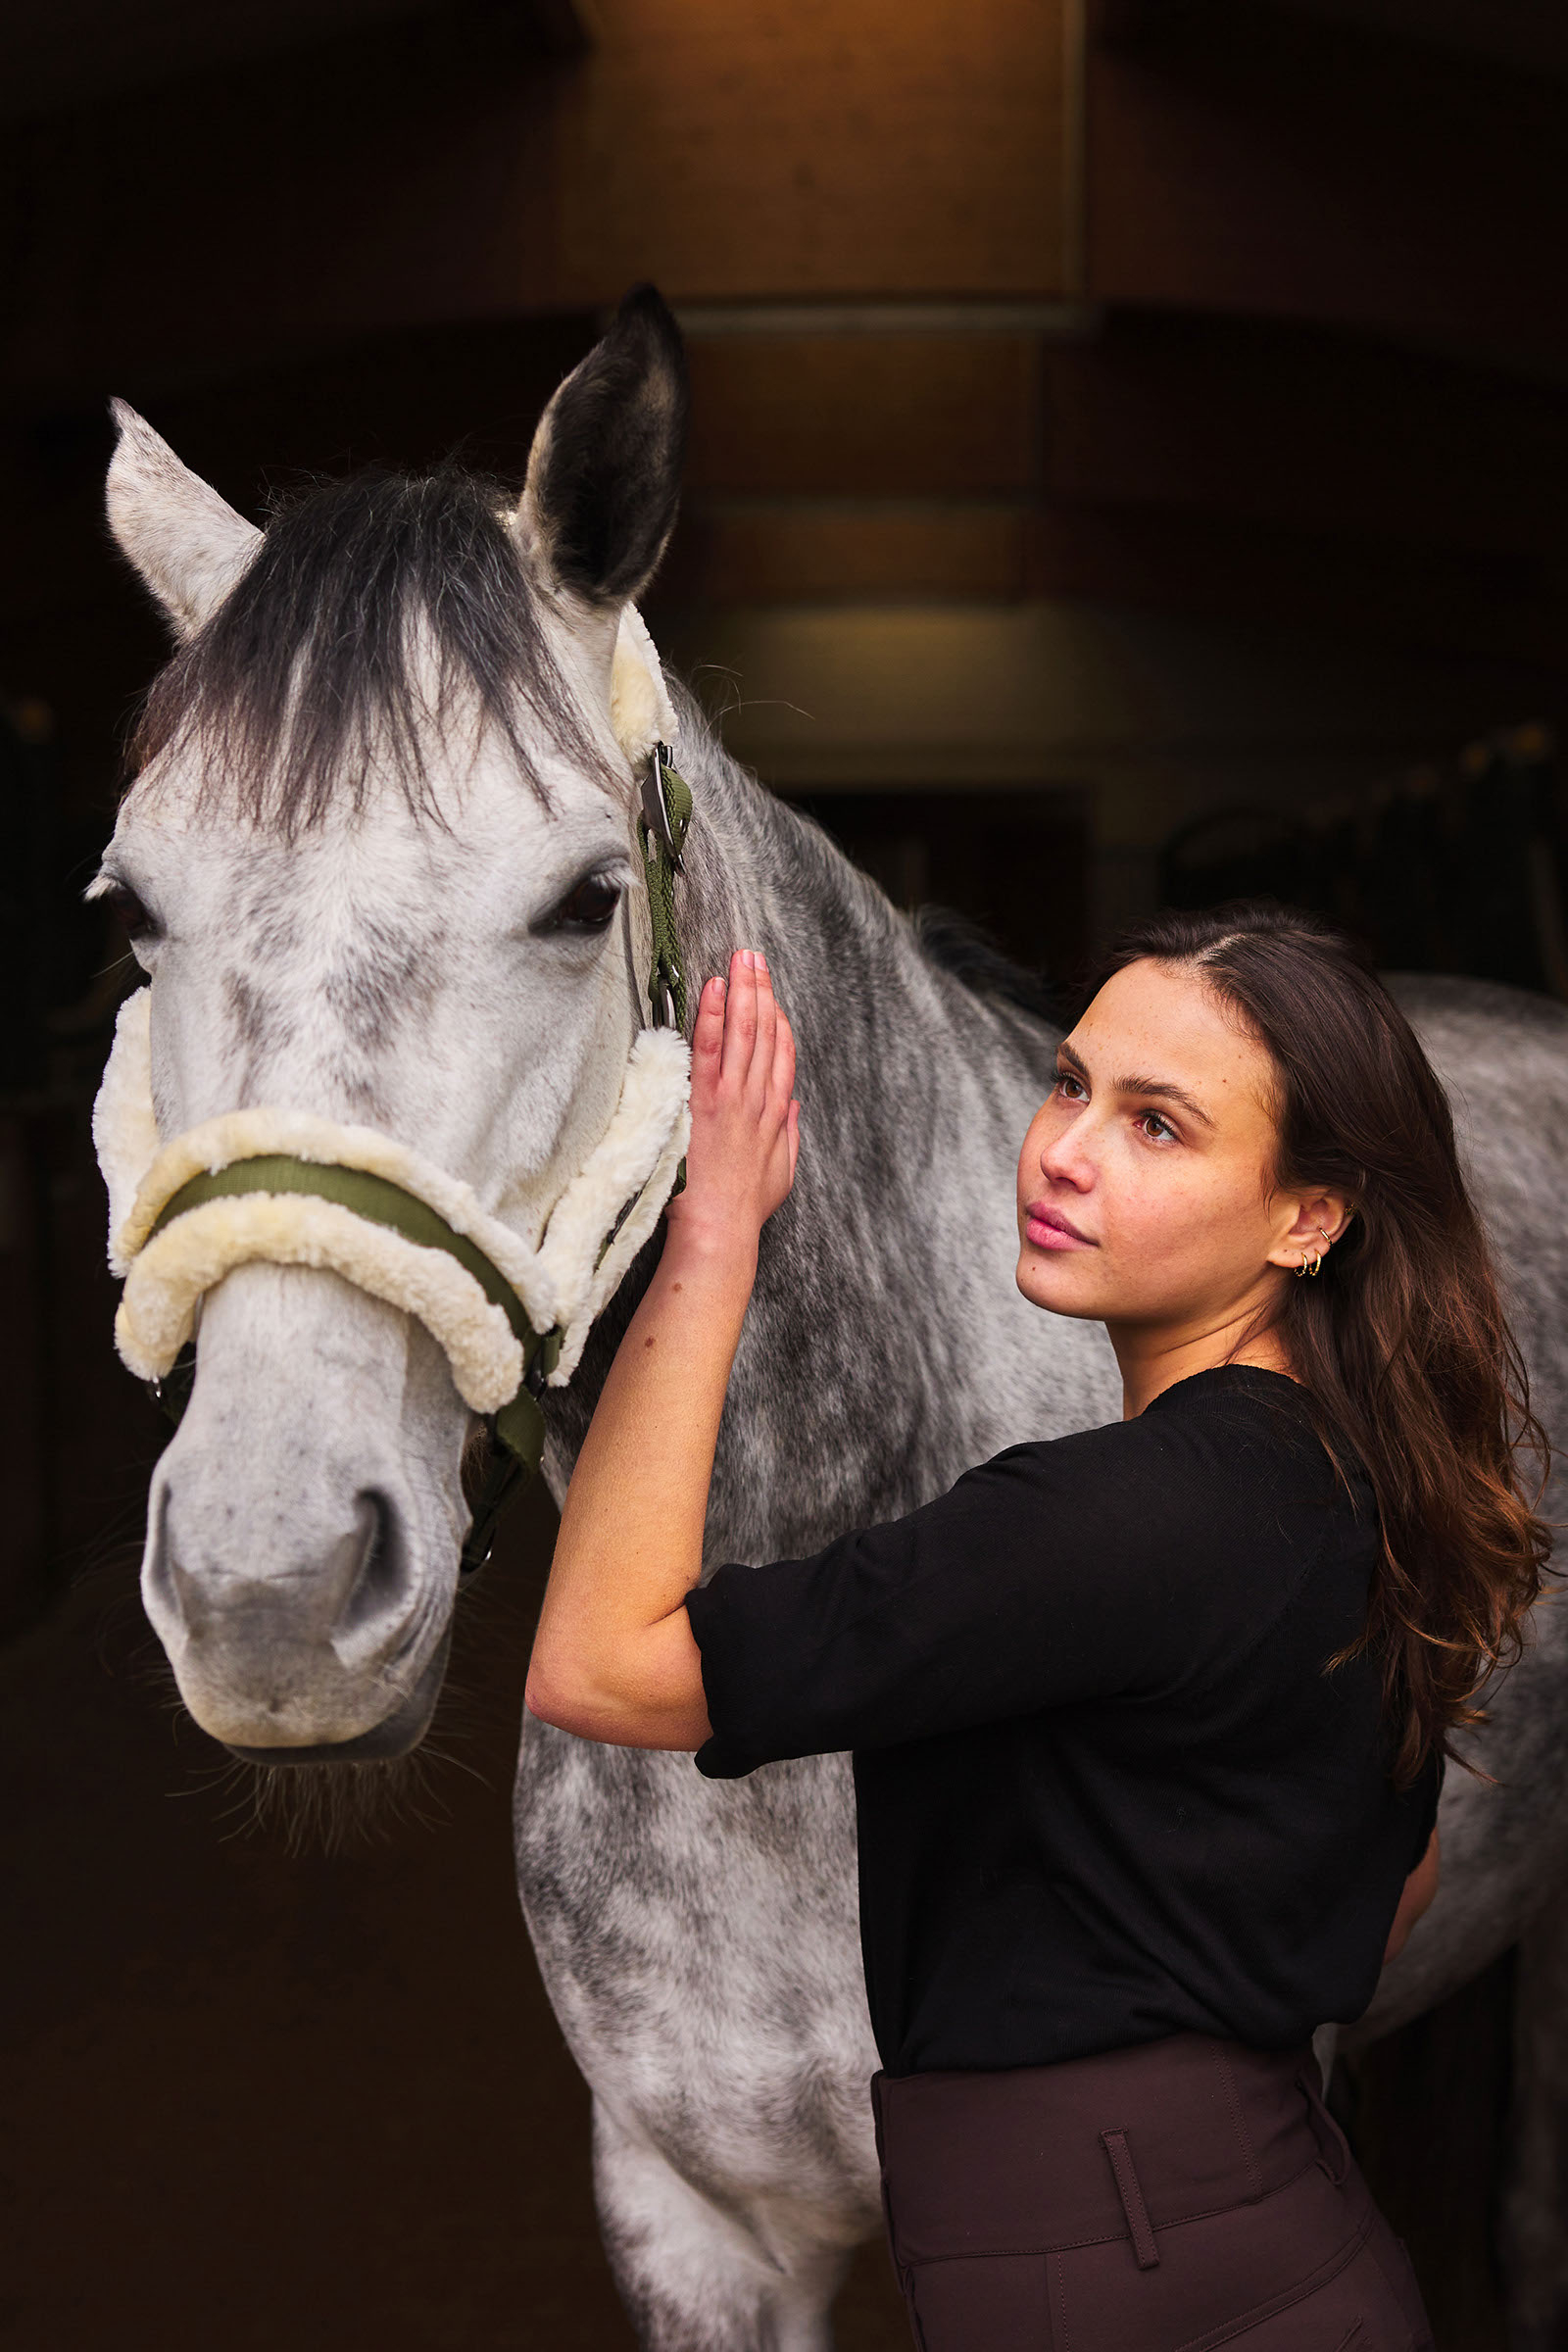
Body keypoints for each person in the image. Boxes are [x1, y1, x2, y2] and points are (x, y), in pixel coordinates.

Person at [525, 904, 1549, 2350]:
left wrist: (711, 1239)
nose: (1065, 1150)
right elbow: (1407, 1874)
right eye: (1069, 1083)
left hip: (1112, 2268)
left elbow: (599, 1663)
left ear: (1308, 1215)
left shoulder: (1111, 1520)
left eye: (1160, 1127)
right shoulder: (1349, 1476)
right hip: (1261, 2220)